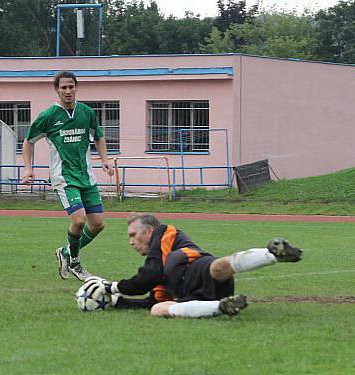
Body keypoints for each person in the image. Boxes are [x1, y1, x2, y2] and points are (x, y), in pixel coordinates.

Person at [84, 213, 304, 318]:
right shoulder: (158, 262)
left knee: (217, 267)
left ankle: (274, 254)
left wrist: (110, 287)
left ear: (149, 231)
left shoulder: (165, 232)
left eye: (133, 235)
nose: (131, 241)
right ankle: (223, 306)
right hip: (192, 294)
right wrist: (119, 302)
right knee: (157, 309)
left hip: (194, 267)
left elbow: (149, 276)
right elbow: (151, 296)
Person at [21, 71, 114, 281]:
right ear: (57, 90)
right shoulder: (48, 116)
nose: (68, 91)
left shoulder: (87, 112)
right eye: (64, 87)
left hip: (86, 177)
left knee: (98, 224)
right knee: (79, 221)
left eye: (71, 86)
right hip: (64, 178)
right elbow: (28, 141)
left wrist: (105, 159)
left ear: (76, 88)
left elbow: (98, 136)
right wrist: (28, 168)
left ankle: (65, 252)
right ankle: (75, 263)